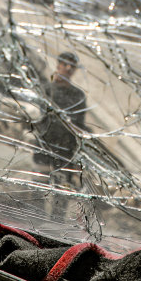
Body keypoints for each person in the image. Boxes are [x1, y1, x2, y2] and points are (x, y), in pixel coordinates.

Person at [33, 52, 87, 210]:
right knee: (38, 188)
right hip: (44, 146)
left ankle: (57, 220)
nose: (68, 68)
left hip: (66, 150)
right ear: (58, 65)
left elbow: (80, 125)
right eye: (65, 64)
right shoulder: (46, 90)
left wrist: (77, 152)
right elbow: (37, 118)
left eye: (72, 66)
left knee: (62, 191)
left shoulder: (78, 95)